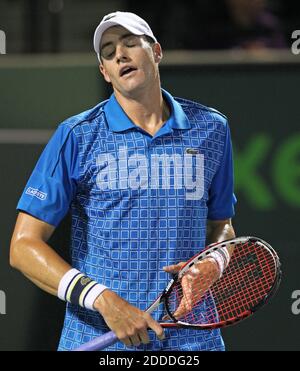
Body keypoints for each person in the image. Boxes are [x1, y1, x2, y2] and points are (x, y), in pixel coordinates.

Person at [10, 11, 237, 351]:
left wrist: (214, 264)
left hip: (193, 341)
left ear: (156, 52)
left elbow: (223, 228)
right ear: (105, 71)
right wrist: (103, 300)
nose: (120, 54)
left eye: (131, 43)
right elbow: (23, 247)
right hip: (100, 340)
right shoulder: (77, 135)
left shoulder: (211, 128)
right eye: (108, 51)